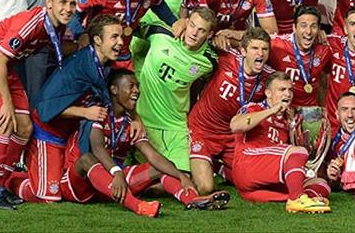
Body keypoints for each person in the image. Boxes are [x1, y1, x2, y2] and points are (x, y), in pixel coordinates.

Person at [0, 0, 78, 210]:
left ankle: (1, 185)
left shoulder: (57, 27)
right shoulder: (31, 22)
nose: (68, 9)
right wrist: (6, 104)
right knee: (4, 124)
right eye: (62, 3)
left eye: (72, 4)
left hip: (6, 69)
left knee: (25, 128)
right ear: (49, 3)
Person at [61, 69, 229, 215]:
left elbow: (152, 155)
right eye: (131, 86)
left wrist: (180, 176)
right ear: (114, 89)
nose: (136, 91)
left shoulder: (131, 123)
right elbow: (97, 149)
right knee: (87, 159)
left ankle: (193, 200)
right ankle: (138, 206)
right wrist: (117, 172)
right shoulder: (98, 113)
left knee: (161, 167)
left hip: (113, 184)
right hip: (79, 185)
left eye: (137, 86)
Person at [3, 14, 126, 204]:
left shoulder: (105, 64)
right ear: (97, 40)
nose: (121, 42)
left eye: (121, 36)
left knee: (68, 184)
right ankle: (7, 180)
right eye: (114, 37)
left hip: (71, 134)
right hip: (48, 133)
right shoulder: (78, 68)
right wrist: (85, 112)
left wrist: (135, 119)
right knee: (49, 196)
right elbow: (45, 109)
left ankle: (41, 174)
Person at [230, 72, 332, 213]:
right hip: (247, 165)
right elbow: (235, 126)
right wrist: (271, 111)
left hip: (268, 176)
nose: (287, 94)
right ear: (268, 93)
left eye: (290, 90)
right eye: (282, 89)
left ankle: (306, 198)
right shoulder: (254, 108)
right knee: (297, 151)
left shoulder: (288, 120)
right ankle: (296, 198)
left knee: (320, 183)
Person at [188, 27, 272, 193]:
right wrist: (216, 37)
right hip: (203, 130)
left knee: (251, 181)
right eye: (255, 48)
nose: (260, 54)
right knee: (205, 187)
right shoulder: (227, 57)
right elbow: (205, 40)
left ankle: (218, 166)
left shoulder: (269, 78)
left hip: (232, 137)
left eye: (265, 49)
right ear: (243, 51)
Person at [137, 8, 218, 172]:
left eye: (201, 30)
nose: (194, 33)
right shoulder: (161, 32)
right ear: (186, 22)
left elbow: (205, 83)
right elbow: (130, 30)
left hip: (175, 126)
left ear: (209, 35)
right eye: (192, 25)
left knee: (183, 177)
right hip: (141, 120)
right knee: (155, 173)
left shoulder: (210, 61)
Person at [267, 6, 332, 107]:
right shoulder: (276, 45)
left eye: (313, 26)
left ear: (319, 29)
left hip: (310, 111)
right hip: (283, 109)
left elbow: (325, 78)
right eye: (303, 26)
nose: (308, 31)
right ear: (294, 27)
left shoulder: (324, 50)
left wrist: (322, 107)